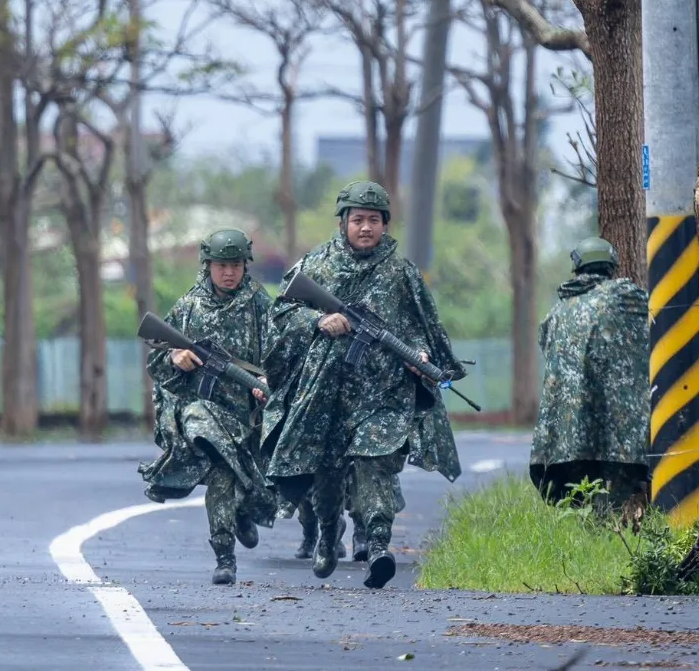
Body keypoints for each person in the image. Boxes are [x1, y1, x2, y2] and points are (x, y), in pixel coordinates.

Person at [261, 180, 463, 589]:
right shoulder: (314, 266)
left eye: (373, 220)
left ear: (386, 225)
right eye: (358, 220)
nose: (366, 227)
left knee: (376, 465)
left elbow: (421, 327)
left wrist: (421, 355)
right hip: (326, 391)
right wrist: (317, 321)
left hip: (383, 392)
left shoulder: (402, 273)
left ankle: (377, 545)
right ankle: (327, 530)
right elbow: (280, 318)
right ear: (343, 223)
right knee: (327, 472)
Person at [138, 227, 279, 585]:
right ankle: (224, 556)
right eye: (220, 265)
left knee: (248, 482)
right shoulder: (188, 307)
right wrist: (176, 357)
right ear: (208, 265)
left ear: (245, 266)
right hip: (200, 412)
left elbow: (282, 356)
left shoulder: (260, 307)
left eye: (235, 265)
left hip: (246, 419)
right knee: (220, 472)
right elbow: (156, 363)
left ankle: (244, 511)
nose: (228, 272)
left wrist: (267, 382)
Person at [531, 236, 650, 510]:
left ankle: (593, 538)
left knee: (580, 506)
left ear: (577, 267)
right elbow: (661, 312)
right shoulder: (622, 296)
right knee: (611, 503)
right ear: (611, 266)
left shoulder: (555, 313)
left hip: (563, 437)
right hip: (616, 434)